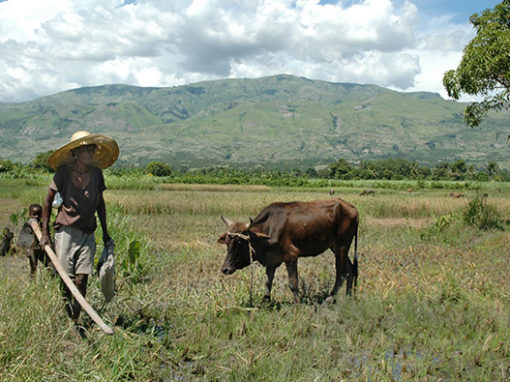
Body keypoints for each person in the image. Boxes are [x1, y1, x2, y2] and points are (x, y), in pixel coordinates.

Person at [41, 131, 119, 321]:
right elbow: (48, 202)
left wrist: (106, 232)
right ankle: (68, 310)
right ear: (75, 152)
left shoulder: (96, 174)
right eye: (86, 149)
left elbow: (100, 204)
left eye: (92, 148)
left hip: (88, 232)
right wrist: (45, 233)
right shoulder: (63, 173)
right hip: (66, 232)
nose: (91, 152)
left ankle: (75, 317)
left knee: (82, 278)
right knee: (66, 278)